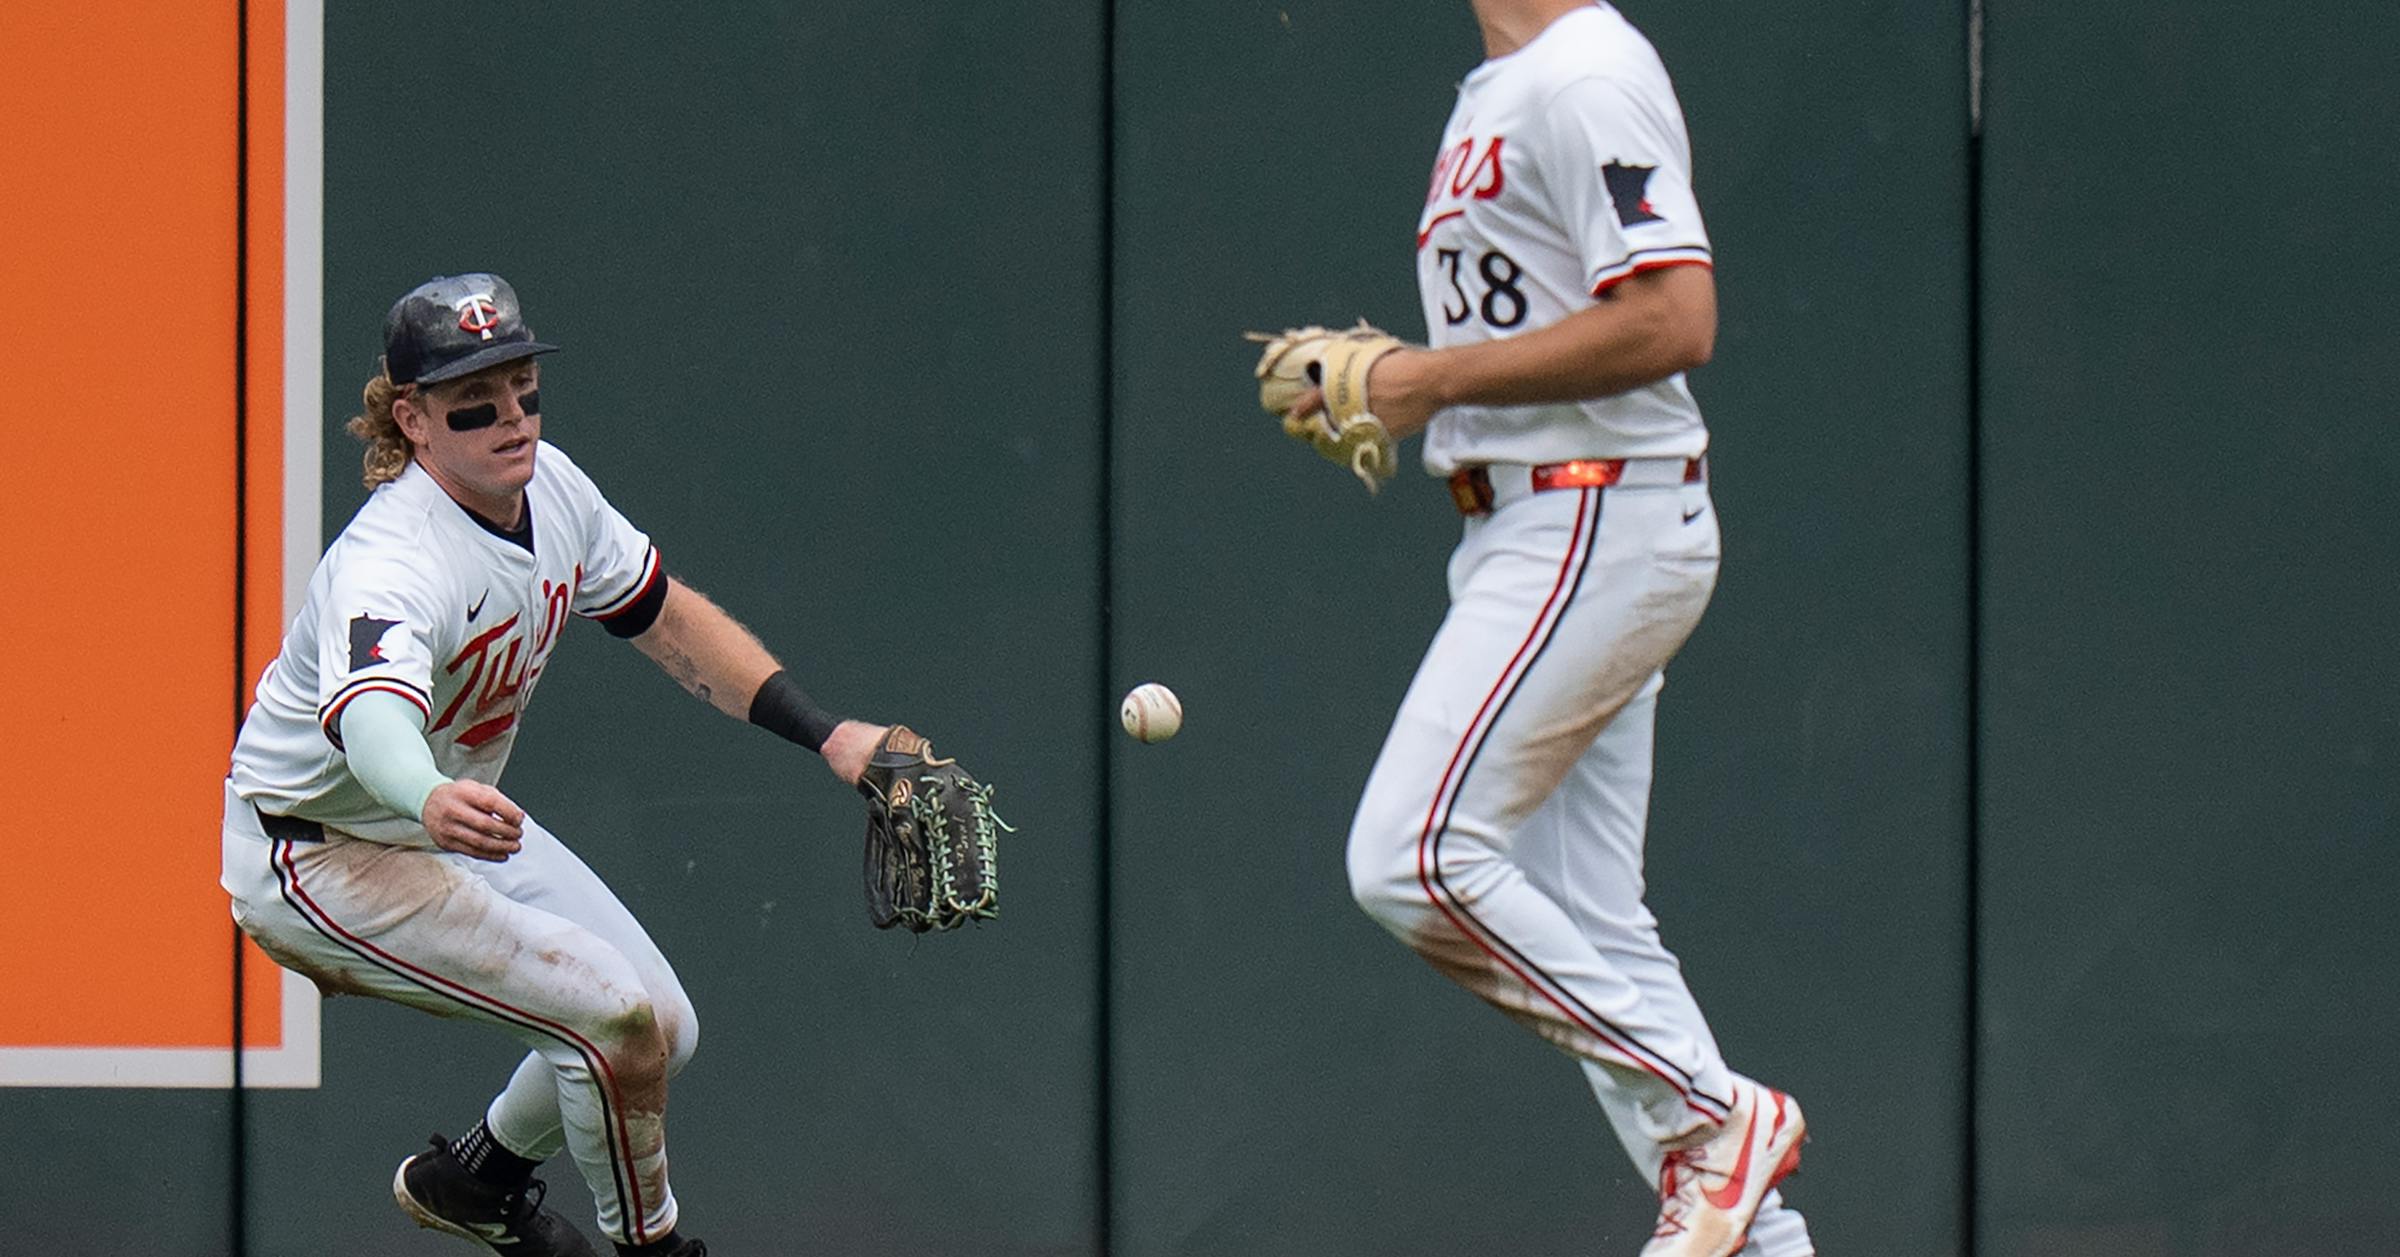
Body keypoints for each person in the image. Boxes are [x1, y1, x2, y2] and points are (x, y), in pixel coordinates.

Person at [1273, 3, 1813, 1254]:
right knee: (1599, 924)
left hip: (1592, 517)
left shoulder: (1587, 72)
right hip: (1530, 523)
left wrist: (1430, 378)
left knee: (1411, 858)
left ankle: (1713, 1118)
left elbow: (1678, 320)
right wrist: (1402, 382)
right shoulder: (1500, 87)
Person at [222, 273, 887, 1257]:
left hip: (441, 820)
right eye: (475, 402)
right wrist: (427, 791)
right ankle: (650, 1248)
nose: (512, 418)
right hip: (318, 858)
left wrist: (826, 734)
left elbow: (664, 620)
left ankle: (476, 1178)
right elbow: (371, 721)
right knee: (612, 1027)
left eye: (524, 388)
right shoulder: (394, 560)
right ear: (412, 419)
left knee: (662, 1025)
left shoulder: (555, 490)